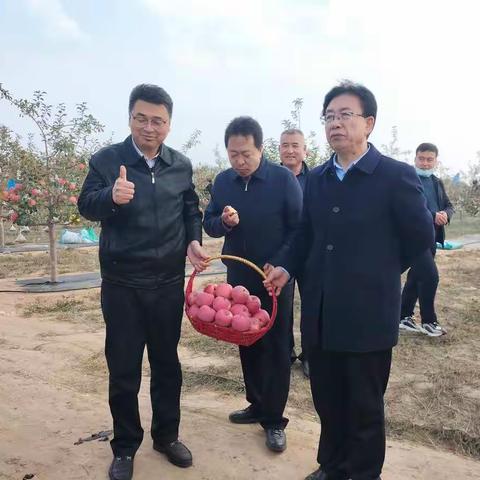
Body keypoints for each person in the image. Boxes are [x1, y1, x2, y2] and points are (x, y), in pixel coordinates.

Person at [264, 81, 434, 480]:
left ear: (369, 123)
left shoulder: (395, 176)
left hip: (368, 315)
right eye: (329, 117)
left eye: (345, 115)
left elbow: (421, 236)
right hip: (322, 312)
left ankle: (360, 473)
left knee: (363, 405)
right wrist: (286, 266)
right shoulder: (320, 177)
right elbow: (306, 233)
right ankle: (332, 464)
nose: (335, 124)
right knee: (328, 398)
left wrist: (379, 274)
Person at [77, 84, 208, 480]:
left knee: (167, 364)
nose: (149, 127)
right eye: (141, 119)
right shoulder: (106, 160)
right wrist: (111, 198)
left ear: (168, 124)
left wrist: (194, 240)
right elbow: (86, 205)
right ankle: (125, 445)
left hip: (167, 282)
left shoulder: (180, 165)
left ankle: (166, 436)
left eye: (158, 121)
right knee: (124, 368)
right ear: (130, 117)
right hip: (123, 284)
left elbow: (190, 210)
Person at [203, 116, 303, 453]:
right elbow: (210, 224)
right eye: (233, 155)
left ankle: (274, 420)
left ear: (261, 149)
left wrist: (281, 263)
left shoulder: (282, 180)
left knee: (275, 345)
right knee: (245, 338)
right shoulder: (222, 182)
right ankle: (256, 403)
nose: (240, 161)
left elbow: (298, 229)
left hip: (274, 278)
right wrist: (224, 222)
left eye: (246, 154)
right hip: (239, 275)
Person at [399, 143, 454, 336]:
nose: (424, 163)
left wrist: (445, 214)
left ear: (435, 161)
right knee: (430, 276)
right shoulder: (407, 180)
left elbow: (448, 205)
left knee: (416, 277)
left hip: (432, 238)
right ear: (415, 159)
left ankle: (403, 316)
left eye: (429, 159)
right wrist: (432, 215)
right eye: (421, 159)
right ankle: (429, 321)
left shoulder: (436, 182)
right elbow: (409, 209)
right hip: (414, 238)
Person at [279, 128, 310, 377]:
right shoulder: (271, 178)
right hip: (282, 254)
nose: (290, 150)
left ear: (304, 150)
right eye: (285, 145)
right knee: (282, 305)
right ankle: (285, 352)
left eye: (295, 145)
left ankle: (310, 355)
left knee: (311, 304)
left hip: (310, 253)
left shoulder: (318, 178)